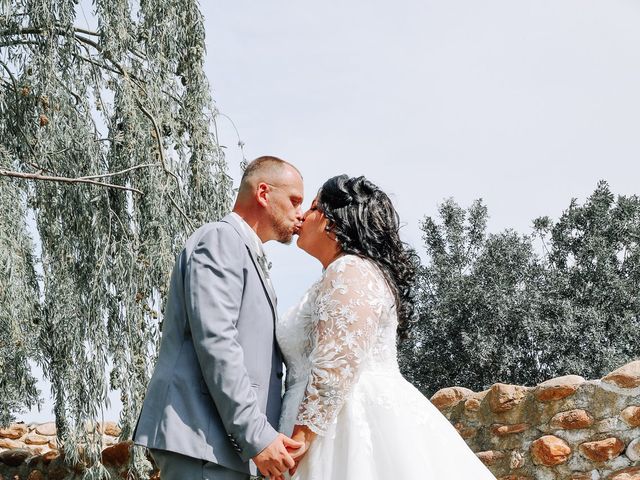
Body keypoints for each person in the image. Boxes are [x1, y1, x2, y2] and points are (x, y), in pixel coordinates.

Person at [278, 175, 496, 479]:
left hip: (345, 422)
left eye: (313, 207)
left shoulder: (350, 269)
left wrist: (301, 439)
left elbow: (336, 363)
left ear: (332, 221)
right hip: (318, 419)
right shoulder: (336, 275)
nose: (302, 215)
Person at [134, 156, 305, 480]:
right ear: (264, 193)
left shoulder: (246, 251)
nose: (300, 213)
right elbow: (217, 343)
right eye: (294, 200)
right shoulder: (220, 239)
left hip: (220, 446)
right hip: (200, 436)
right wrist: (256, 435)